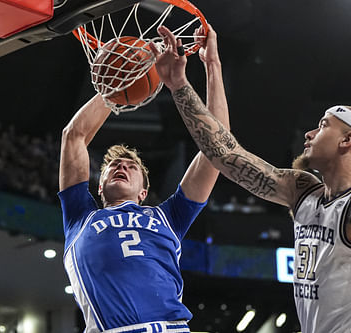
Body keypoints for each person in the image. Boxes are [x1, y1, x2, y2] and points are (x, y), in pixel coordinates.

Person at [151, 27, 351, 333]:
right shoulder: (302, 190)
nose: (310, 134)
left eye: (323, 125)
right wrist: (189, 78)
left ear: (347, 140)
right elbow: (226, 155)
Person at [58, 25, 229, 333]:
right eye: (112, 166)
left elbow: (218, 148)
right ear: (99, 186)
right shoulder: (79, 216)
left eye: (131, 166)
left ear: (143, 192)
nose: (121, 166)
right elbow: (74, 136)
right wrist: (118, 81)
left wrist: (212, 65)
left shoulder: (168, 216)